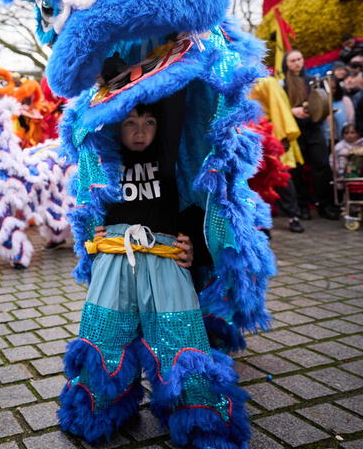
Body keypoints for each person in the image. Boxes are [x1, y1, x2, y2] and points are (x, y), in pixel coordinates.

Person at [58, 99, 248, 448]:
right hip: (115, 263)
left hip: (165, 260)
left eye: (149, 122)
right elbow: (84, 131)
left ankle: (197, 420)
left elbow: (196, 206)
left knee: (179, 339)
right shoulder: (104, 160)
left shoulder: (171, 158)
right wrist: (96, 237)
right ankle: (101, 410)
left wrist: (195, 249)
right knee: (107, 338)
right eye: (131, 122)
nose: (141, 131)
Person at [278, 49, 337, 219]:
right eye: (293, 60)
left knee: (322, 165)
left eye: (299, 59)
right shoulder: (282, 85)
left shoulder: (313, 81)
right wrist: (292, 111)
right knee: (297, 170)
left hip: (314, 128)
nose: (297, 62)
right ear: (286, 65)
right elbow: (279, 108)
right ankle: (303, 206)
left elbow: (323, 103)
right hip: (294, 131)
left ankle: (324, 205)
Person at [250, 73, 307, 232]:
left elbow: (280, 108)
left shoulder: (266, 81)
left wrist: (283, 138)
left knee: (281, 178)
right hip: (249, 138)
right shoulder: (237, 81)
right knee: (255, 181)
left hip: (271, 137)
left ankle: (293, 216)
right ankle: (260, 221)